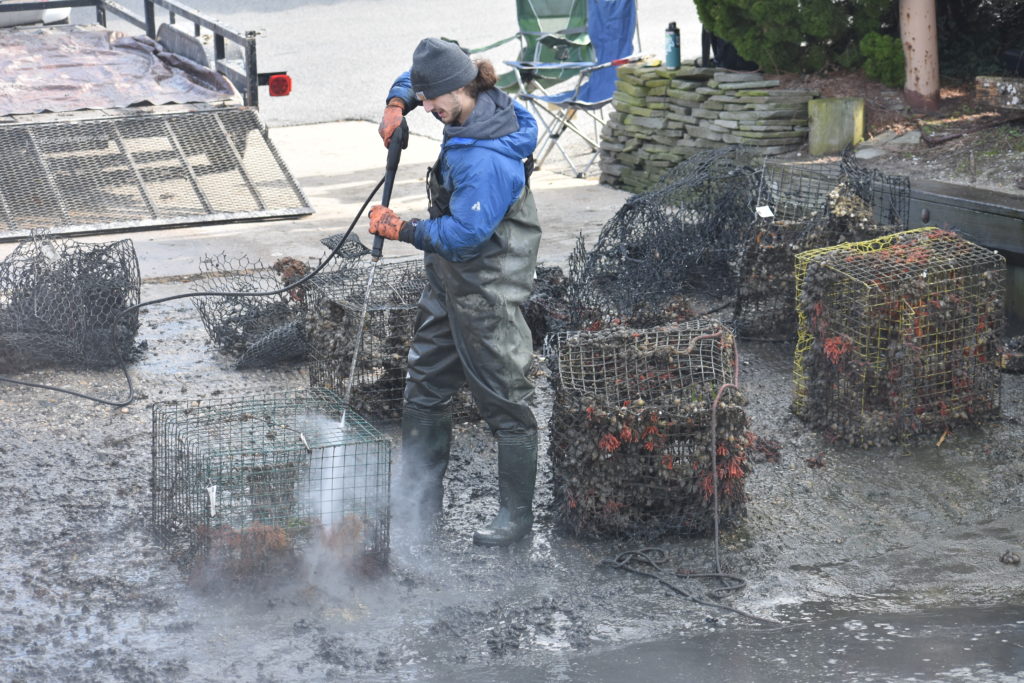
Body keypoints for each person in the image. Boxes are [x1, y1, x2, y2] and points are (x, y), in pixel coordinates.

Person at [369, 37, 541, 547]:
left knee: (506, 401)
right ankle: (417, 500)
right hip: (448, 284)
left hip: (488, 288)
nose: (427, 109)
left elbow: (466, 236)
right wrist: (397, 103)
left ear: (462, 88)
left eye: (431, 101)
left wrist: (403, 229)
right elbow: (422, 74)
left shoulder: (485, 160)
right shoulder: (462, 94)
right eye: (423, 100)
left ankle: (515, 518)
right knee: (424, 385)